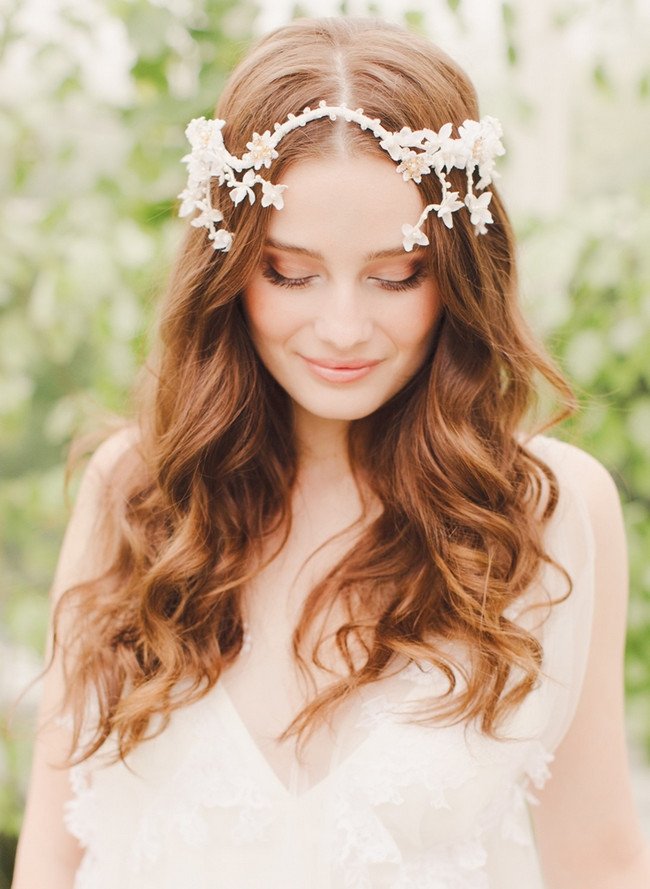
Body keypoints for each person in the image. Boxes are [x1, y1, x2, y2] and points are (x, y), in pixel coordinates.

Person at [11, 14, 650, 889]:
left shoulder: (552, 513)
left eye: (396, 276)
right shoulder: (138, 491)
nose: (343, 327)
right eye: (290, 272)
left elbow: (599, 862)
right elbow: (53, 852)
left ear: (459, 272)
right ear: (229, 267)